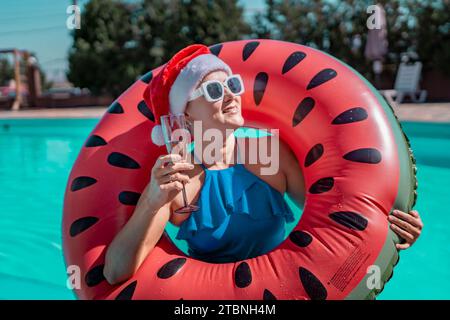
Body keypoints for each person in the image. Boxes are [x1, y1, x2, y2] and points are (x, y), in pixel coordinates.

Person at [103, 44, 423, 285]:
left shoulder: (271, 153)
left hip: (284, 286)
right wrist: (151, 202)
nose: (230, 95)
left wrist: (392, 227)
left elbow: (336, 214)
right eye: (215, 90)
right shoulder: (177, 178)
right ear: (186, 114)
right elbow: (116, 271)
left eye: (233, 86)